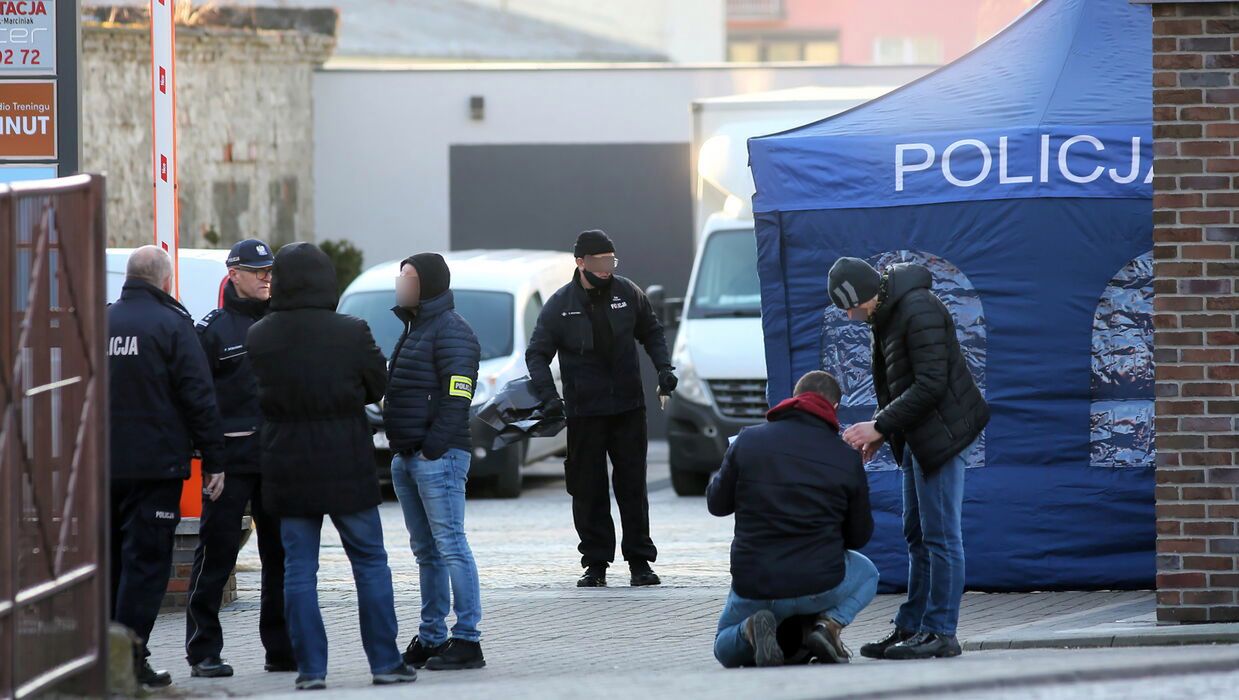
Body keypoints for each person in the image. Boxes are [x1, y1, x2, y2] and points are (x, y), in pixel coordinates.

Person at [246, 243, 416, 691]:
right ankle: (384, 662)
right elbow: (378, 384)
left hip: (286, 458)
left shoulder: (260, 335)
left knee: (299, 569)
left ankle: (311, 671)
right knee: (370, 562)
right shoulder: (351, 331)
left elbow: (256, 394)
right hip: (345, 456)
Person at [828, 257, 990, 661]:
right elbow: (897, 382)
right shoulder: (884, 312)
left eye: (849, 306)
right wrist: (887, 433)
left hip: (943, 435)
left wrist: (880, 425)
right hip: (917, 434)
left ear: (864, 294)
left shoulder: (917, 308)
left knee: (941, 536)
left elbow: (932, 383)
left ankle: (940, 631)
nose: (850, 316)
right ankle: (913, 624)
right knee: (917, 533)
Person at [525, 229, 677, 588]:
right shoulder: (560, 305)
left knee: (632, 487)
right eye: (599, 262)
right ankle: (595, 564)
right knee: (587, 488)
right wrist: (549, 397)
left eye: (611, 261)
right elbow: (536, 355)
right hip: (584, 412)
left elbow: (651, 331)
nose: (607, 268)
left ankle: (640, 561)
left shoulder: (629, 293)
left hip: (628, 407)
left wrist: (664, 368)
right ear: (580, 262)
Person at [108, 246, 226, 689]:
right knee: (146, 566)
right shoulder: (172, 325)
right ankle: (131, 661)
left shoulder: (102, 321)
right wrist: (214, 459)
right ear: (165, 281)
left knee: (111, 562)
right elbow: (199, 396)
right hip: (155, 467)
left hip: (103, 468)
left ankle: (105, 656)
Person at [708, 370, 878, 668]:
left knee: (724, 644)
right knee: (867, 573)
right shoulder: (846, 457)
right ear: (834, 408)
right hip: (819, 582)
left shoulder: (748, 441)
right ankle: (827, 627)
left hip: (756, 582)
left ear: (794, 398)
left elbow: (717, 505)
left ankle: (750, 629)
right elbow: (859, 536)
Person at [184, 239, 295, 677]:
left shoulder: (283, 324)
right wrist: (209, 458)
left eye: (269, 269)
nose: (267, 276)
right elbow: (198, 398)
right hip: (229, 463)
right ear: (233, 273)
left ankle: (282, 649)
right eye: (256, 270)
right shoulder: (215, 330)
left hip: (276, 459)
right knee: (217, 555)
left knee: (281, 558)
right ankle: (203, 651)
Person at [384, 253, 486, 671]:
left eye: (407, 277)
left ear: (427, 284)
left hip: (436, 458)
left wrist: (432, 448)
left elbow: (457, 396)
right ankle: (431, 637)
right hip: (407, 456)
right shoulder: (414, 328)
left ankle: (467, 640)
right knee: (426, 552)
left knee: (451, 546)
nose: (400, 283)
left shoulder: (451, 330)